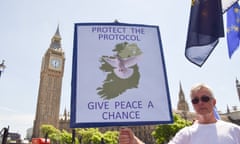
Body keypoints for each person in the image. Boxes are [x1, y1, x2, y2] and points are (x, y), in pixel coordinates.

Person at [118, 83, 240, 144]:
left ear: (214, 102)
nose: (200, 103)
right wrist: (134, 141)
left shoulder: (234, 130)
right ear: (192, 104)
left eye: (205, 98)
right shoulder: (186, 134)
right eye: (195, 100)